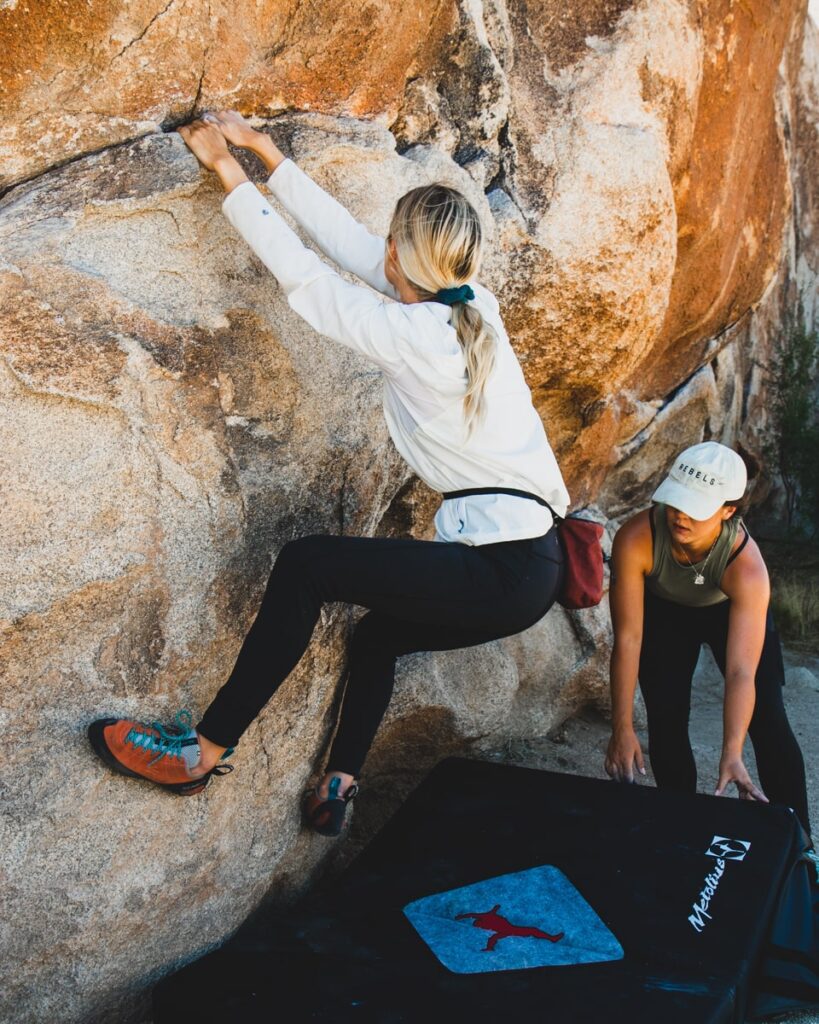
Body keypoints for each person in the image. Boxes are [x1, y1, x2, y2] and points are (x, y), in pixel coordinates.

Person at [89, 110, 570, 835]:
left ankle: (200, 753)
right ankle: (338, 786)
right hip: (532, 571)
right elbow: (347, 247)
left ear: (403, 257)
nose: (377, 249)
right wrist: (264, 152)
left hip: (502, 569)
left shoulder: (412, 336)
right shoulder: (474, 307)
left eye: (388, 244)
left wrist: (227, 170)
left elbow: (308, 277)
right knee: (376, 637)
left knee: (307, 566)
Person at [604, 441, 810, 836]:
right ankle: (681, 831)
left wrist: (731, 752)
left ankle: (800, 844)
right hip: (665, 611)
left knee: (768, 718)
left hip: (725, 609)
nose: (680, 515)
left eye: (695, 508)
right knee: (665, 718)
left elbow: (740, 673)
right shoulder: (636, 538)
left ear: (728, 510)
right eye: (676, 501)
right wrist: (622, 727)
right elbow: (628, 639)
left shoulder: (747, 569)